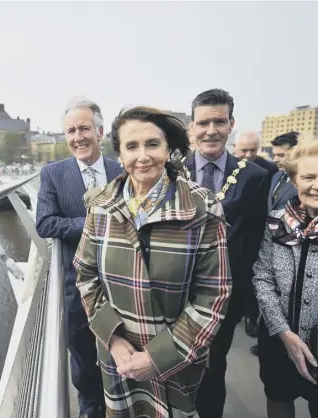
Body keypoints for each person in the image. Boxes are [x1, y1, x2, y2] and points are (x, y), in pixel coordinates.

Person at [73, 106, 232, 418]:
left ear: (169, 149)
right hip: (119, 358)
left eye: (152, 144)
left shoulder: (203, 208)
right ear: (119, 154)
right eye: (132, 146)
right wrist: (114, 341)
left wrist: (158, 357)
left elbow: (214, 294)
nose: (142, 156)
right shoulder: (101, 206)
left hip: (177, 359)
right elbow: (85, 275)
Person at [183, 88, 271, 418]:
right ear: (191, 127)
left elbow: (257, 242)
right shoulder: (169, 172)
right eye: (203, 122)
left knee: (212, 367)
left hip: (224, 296)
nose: (211, 130)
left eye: (219, 121)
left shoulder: (255, 177)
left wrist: (249, 301)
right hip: (173, 292)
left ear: (231, 123)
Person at [36, 97, 123, 418]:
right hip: (78, 289)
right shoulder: (53, 174)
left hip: (125, 288)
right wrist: (93, 223)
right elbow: (45, 223)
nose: (77, 137)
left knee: (124, 360)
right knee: (85, 366)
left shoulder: (122, 170)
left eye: (84, 128)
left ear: (100, 132)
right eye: (70, 131)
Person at [253, 140, 318, 418]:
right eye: (308, 177)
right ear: (294, 180)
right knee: (278, 397)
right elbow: (262, 276)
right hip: (278, 338)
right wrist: (283, 331)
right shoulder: (277, 221)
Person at [234, 130, 278, 353]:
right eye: (244, 150)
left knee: (253, 277)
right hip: (232, 231)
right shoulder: (228, 167)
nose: (248, 155)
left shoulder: (270, 170)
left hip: (258, 231)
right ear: (235, 148)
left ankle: (252, 316)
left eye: (253, 150)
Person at [268, 131, 299, 212]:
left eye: (281, 155)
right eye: (274, 155)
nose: (275, 160)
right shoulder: (276, 176)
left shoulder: (303, 180)